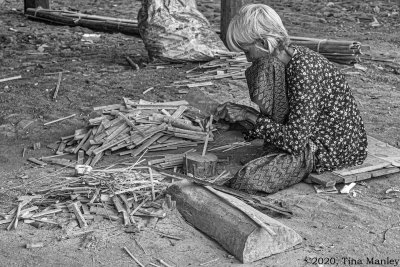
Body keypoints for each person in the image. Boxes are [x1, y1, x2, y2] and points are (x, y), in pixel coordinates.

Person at [215, 4, 368, 194]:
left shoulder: (304, 70)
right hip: (303, 135)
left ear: (263, 43)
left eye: (247, 51)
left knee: (247, 181)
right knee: (258, 137)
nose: (247, 59)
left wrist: (248, 115)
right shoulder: (283, 61)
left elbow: (294, 142)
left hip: (330, 146)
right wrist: (244, 118)